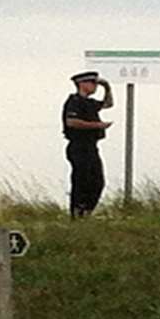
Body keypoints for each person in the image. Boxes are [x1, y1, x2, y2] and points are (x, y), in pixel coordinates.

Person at [62, 70, 114, 217]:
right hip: (79, 145)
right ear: (82, 84)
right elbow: (71, 122)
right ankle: (77, 211)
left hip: (91, 146)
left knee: (97, 180)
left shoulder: (89, 103)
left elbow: (108, 104)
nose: (95, 86)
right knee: (81, 180)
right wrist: (96, 125)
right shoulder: (74, 101)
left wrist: (107, 88)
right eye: (92, 83)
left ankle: (87, 211)